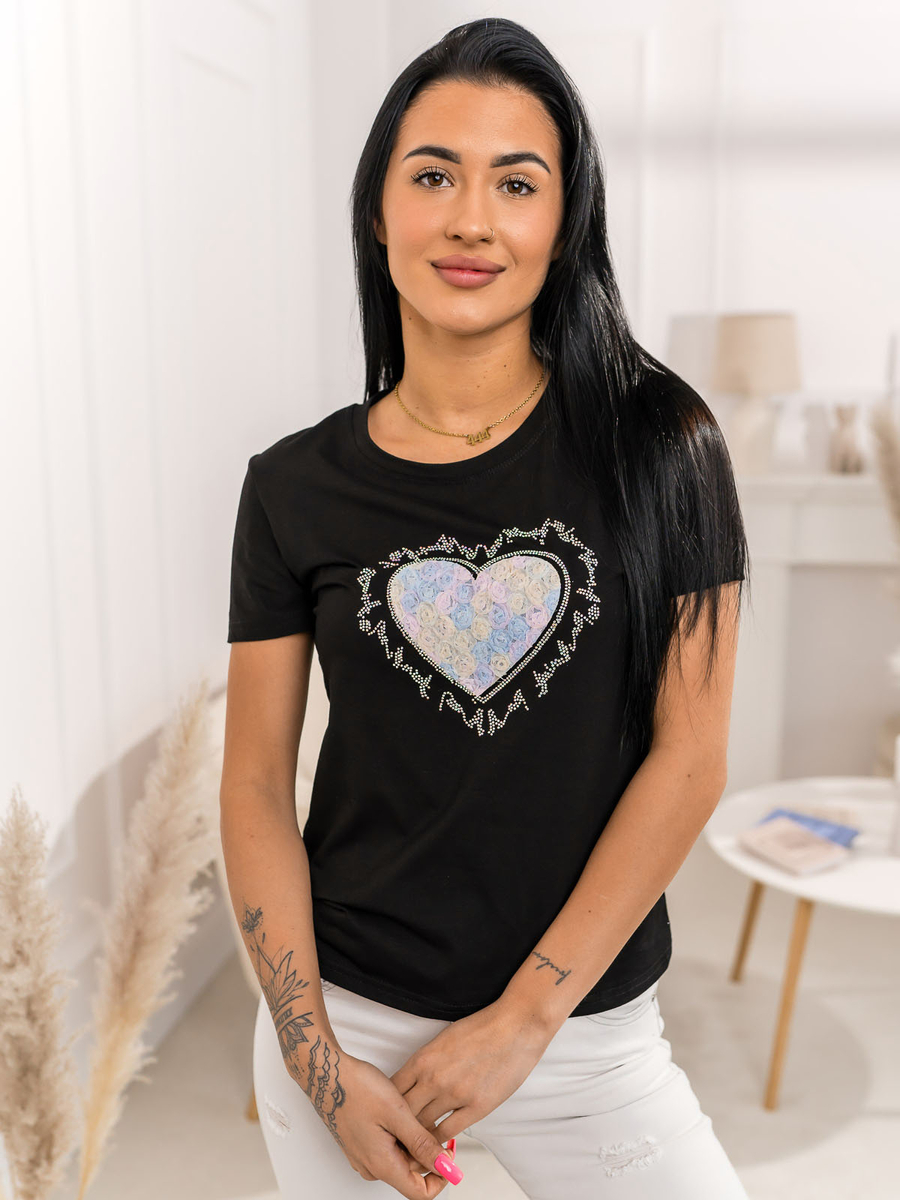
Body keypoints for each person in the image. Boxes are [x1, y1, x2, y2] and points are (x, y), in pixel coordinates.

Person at [220, 16, 752, 1200]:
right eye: (432, 176)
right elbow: (254, 784)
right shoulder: (291, 487)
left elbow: (691, 758)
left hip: (581, 1035)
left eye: (516, 183)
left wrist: (524, 1020)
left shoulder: (666, 448)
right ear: (378, 211)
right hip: (347, 1041)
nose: (471, 219)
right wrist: (315, 1060)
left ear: (564, 222)